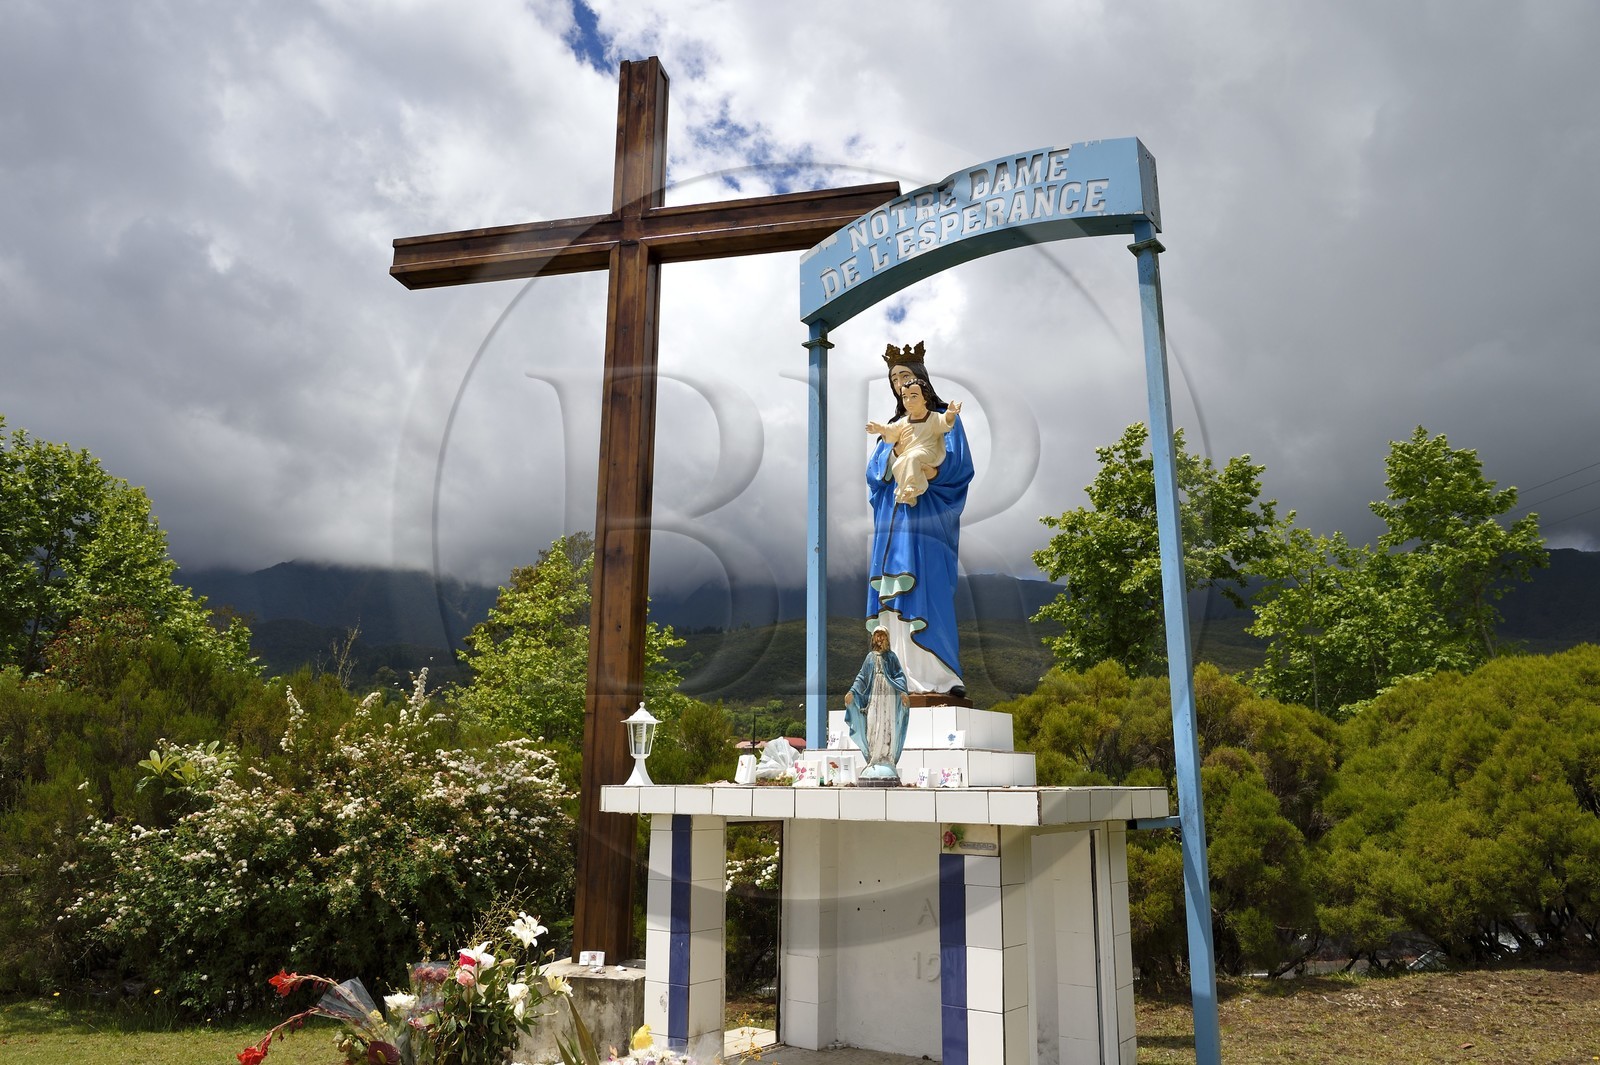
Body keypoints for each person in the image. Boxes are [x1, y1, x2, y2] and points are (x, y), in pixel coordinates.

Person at [864, 342, 973, 699]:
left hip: (926, 521)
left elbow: (959, 467)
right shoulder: (895, 426)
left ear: (921, 381)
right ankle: (898, 677)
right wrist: (894, 451)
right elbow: (873, 473)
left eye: (906, 376)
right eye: (894, 379)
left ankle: (939, 676)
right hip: (895, 523)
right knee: (894, 592)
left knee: (929, 588)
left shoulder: (942, 421)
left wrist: (932, 469)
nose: (899, 384)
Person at [868, 383, 962, 506]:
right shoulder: (904, 421)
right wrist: (879, 428)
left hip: (928, 452)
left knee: (913, 458)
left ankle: (914, 487)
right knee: (898, 466)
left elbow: (944, 422)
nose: (908, 401)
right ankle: (907, 495)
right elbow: (891, 430)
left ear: (925, 398)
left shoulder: (933, 417)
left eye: (913, 396)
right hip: (909, 454)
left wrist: (950, 413)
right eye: (905, 397)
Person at [843, 628, 909, 781]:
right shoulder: (870, 658)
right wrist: (852, 691)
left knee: (887, 724)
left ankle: (886, 757)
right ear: (873, 639)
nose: (879, 639)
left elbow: (899, 675)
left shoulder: (891, 657)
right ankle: (873, 757)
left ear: (887, 638)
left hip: (889, 695)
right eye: (877, 636)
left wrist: (903, 692)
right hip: (874, 695)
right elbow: (862, 677)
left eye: (882, 636)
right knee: (872, 723)